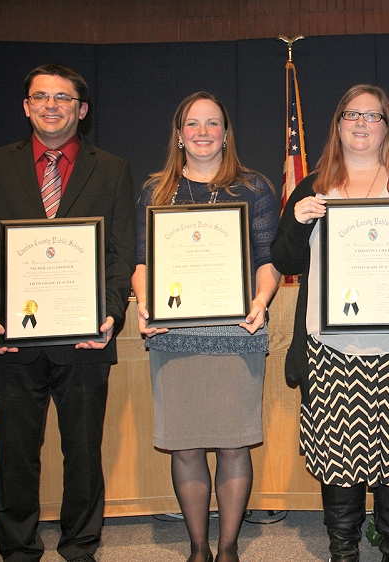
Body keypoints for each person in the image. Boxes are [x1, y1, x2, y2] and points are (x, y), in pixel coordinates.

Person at [271, 84, 389, 562]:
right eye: (351, 114)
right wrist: (297, 219)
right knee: (339, 464)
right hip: (331, 352)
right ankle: (343, 552)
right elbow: (284, 257)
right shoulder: (312, 188)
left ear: (387, 127)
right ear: (337, 125)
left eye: (372, 116)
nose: (361, 123)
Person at [0, 63, 135, 562]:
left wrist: (109, 314)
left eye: (63, 98)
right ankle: (17, 549)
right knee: (16, 456)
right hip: (10, 338)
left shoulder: (113, 168)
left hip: (85, 338)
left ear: (82, 109)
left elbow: (121, 252)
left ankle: (81, 545)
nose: (51, 106)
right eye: (41, 97)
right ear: (26, 107)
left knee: (82, 455)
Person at [131, 92, 281, 562]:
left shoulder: (253, 188)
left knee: (235, 443)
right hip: (175, 337)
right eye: (192, 124)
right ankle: (198, 548)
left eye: (212, 123)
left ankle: (229, 547)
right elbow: (142, 262)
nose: (202, 132)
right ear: (179, 134)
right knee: (185, 446)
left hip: (238, 333)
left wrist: (260, 300)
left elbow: (268, 260)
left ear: (225, 133)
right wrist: (145, 302)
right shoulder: (156, 190)